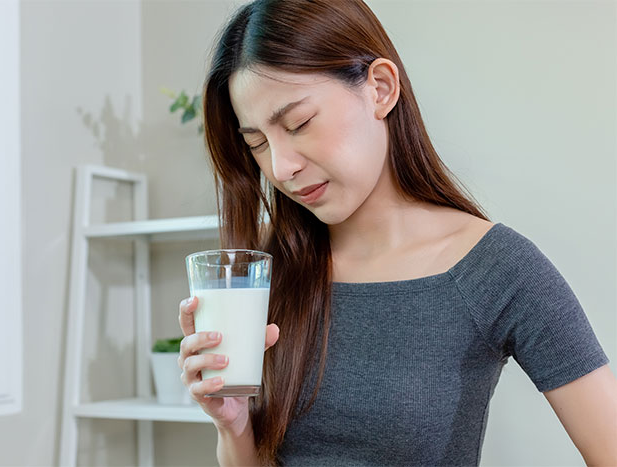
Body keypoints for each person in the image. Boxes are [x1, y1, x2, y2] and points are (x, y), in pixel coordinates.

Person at [177, 1, 616, 466]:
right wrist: (234, 425)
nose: (281, 168)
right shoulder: (274, 266)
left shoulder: (495, 269)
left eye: (299, 124)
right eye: (258, 144)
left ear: (380, 89)